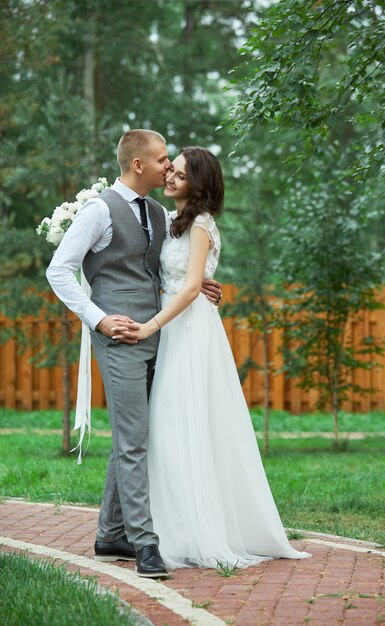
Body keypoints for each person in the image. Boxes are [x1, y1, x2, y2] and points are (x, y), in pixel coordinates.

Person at [111, 147, 311, 569]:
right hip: (176, 325)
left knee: (185, 420)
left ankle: (193, 528)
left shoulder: (200, 224)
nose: (170, 177)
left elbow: (188, 288)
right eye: (171, 170)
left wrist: (150, 327)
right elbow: (176, 277)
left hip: (189, 330)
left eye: (179, 175)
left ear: (198, 185)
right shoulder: (172, 220)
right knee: (167, 423)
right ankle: (168, 522)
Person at [46, 130, 221, 578]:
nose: (169, 167)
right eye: (163, 160)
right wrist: (98, 318)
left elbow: (170, 264)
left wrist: (199, 284)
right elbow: (59, 270)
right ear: (139, 164)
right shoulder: (98, 211)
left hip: (159, 333)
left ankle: (110, 534)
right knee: (133, 440)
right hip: (120, 336)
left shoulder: (161, 213)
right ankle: (145, 543)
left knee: (133, 436)